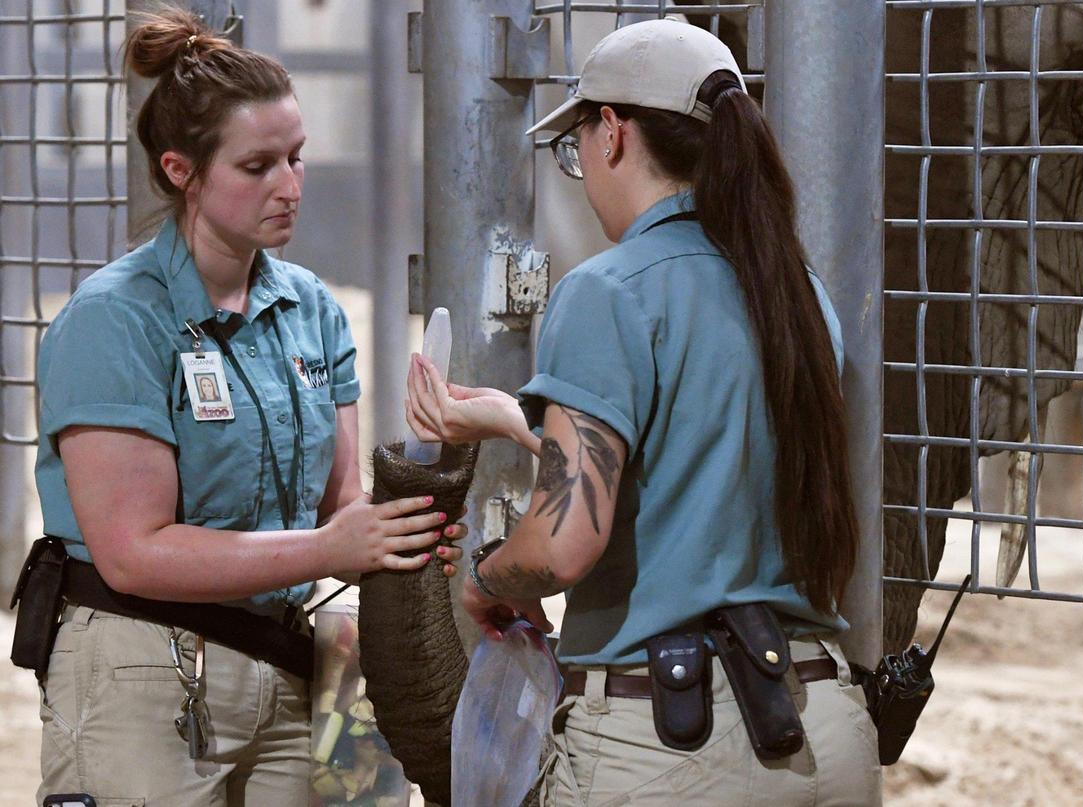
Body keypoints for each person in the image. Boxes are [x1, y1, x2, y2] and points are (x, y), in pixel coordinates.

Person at [404, 18, 880, 806]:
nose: (581, 167)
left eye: (576, 145)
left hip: (671, 744)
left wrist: (489, 576)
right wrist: (509, 417)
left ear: (613, 135)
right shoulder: (797, 293)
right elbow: (700, 457)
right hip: (822, 727)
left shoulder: (608, 289)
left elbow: (561, 548)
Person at [25, 8, 464, 805]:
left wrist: (401, 528)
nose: (290, 185)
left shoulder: (312, 309)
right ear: (180, 169)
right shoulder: (115, 319)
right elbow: (133, 551)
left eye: (296, 157)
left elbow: (340, 508)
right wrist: (334, 546)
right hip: (142, 668)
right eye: (257, 165)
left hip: (292, 659)